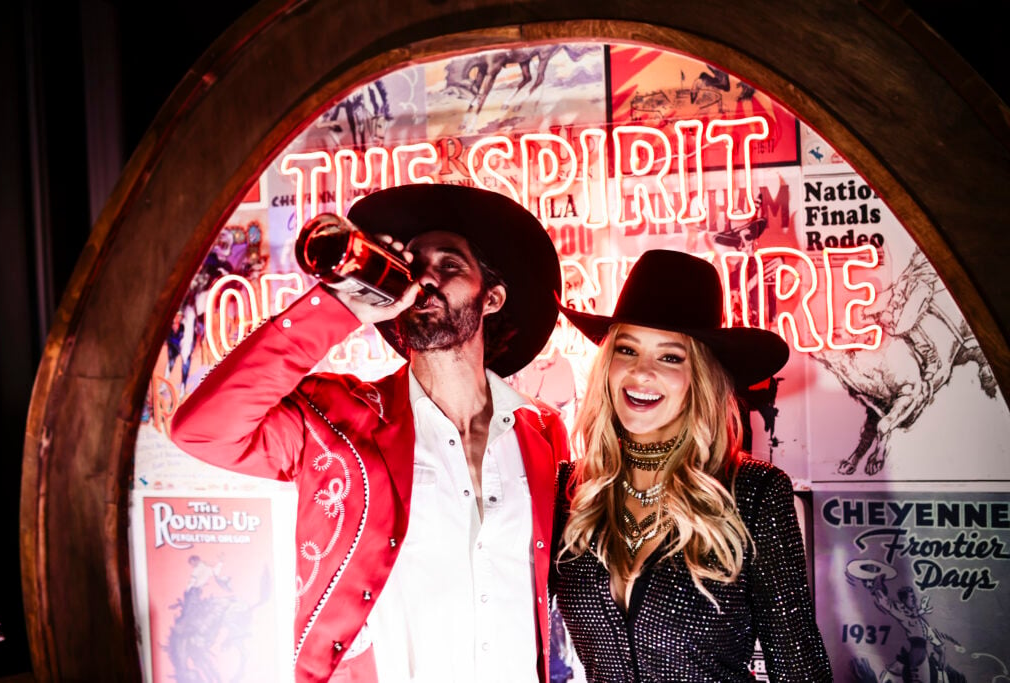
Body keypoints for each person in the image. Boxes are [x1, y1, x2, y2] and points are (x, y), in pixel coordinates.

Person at [170, 184, 570, 683]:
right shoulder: (336, 417)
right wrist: (341, 308)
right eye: (413, 266)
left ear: (491, 298)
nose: (425, 280)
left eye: (449, 265)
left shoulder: (542, 432)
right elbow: (202, 432)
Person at [552, 249, 831, 682]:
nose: (641, 372)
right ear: (607, 365)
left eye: (670, 357)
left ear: (700, 375)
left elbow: (800, 668)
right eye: (626, 349)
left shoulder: (754, 493)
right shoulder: (569, 491)